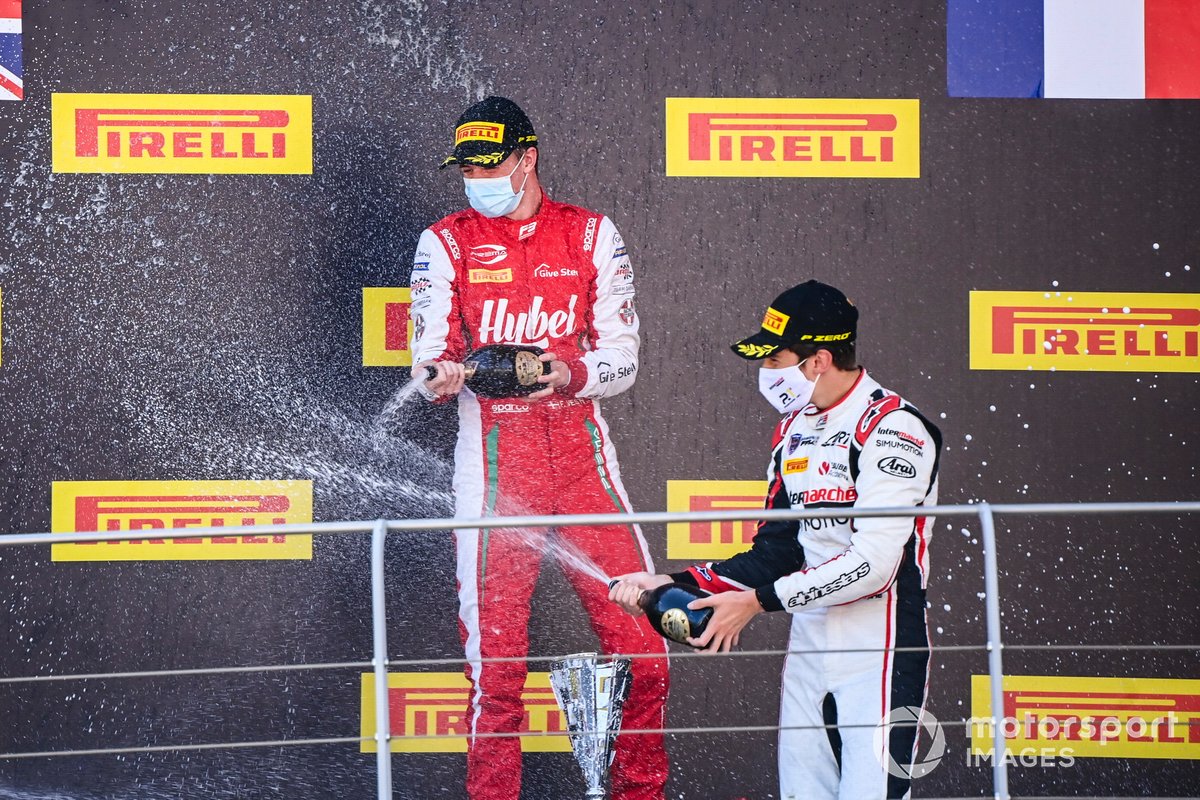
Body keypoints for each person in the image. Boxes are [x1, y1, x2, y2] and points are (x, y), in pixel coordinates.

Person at [409, 96, 668, 800]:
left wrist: (565, 373)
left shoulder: (590, 234)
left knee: (645, 656)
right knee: (496, 677)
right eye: (466, 166)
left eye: (490, 164)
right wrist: (440, 374)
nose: (477, 177)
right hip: (495, 476)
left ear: (528, 158)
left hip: (585, 466)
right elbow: (427, 359)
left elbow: (624, 360)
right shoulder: (446, 241)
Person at [610, 280, 941, 800]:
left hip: (879, 648)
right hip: (809, 644)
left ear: (817, 361)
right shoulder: (794, 432)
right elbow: (778, 550)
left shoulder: (894, 428)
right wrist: (672, 582)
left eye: (774, 359)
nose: (764, 373)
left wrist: (758, 604)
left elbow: (877, 565)